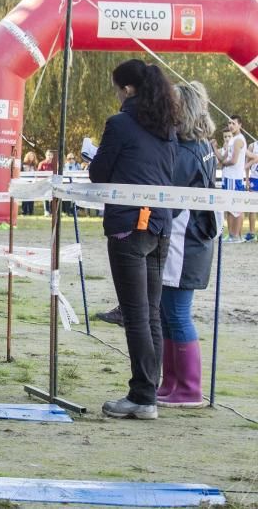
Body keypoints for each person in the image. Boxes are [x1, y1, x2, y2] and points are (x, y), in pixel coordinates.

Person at [89, 58, 178, 419]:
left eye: (116, 88)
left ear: (127, 89)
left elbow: (99, 173)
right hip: (160, 226)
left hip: (129, 226)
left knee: (135, 315)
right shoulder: (167, 126)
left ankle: (142, 395)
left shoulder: (120, 124)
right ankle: (148, 394)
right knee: (151, 314)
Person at [157, 81, 218, 408]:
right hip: (190, 238)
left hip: (185, 240)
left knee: (177, 314)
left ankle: (190, 388)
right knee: (169, 313)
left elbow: (168, 188)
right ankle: (172, 383)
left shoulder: (187, 151)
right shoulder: (202, 146)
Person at [218, 116, 246, 243]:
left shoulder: (239, 140)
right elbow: (222, 158)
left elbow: (233, 161)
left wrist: (224, 163)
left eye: (233, 123)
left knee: (237, 208)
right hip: (227, 177)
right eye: (229, 123)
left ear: (240, 125)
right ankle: (231, 235)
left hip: (234, 178)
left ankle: (236, 236)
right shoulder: (231, 140)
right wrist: (214, 148)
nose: (230, 125)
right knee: (228, 207)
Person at [20, 151, 38, 216]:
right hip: (24, 183)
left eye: (33, 156)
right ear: (27, 156)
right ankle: (24, 212)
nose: (31, 157)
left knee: (31, 198)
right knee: (25, 198)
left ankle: (31, 212)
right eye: (30, 156)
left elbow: (36, 174)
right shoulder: (23, 164)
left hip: (32, 183)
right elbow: (20, 173)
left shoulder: (34, 165)